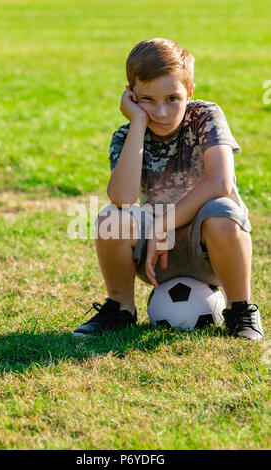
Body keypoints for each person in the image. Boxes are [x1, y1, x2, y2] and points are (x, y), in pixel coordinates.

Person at [72, 38, 264, 340]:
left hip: (211, 250)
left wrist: (164, 223)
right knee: (112, 218)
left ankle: (240, 309)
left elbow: (220, 183)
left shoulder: (205, 116)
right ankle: (120, 308)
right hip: (155, 259)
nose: (160, 112)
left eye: (173, 98)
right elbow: (123, 197)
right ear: (131, 97)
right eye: (147, 100)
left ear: (189, 92)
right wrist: (137, 123)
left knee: (224, 211)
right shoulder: (126, 135)